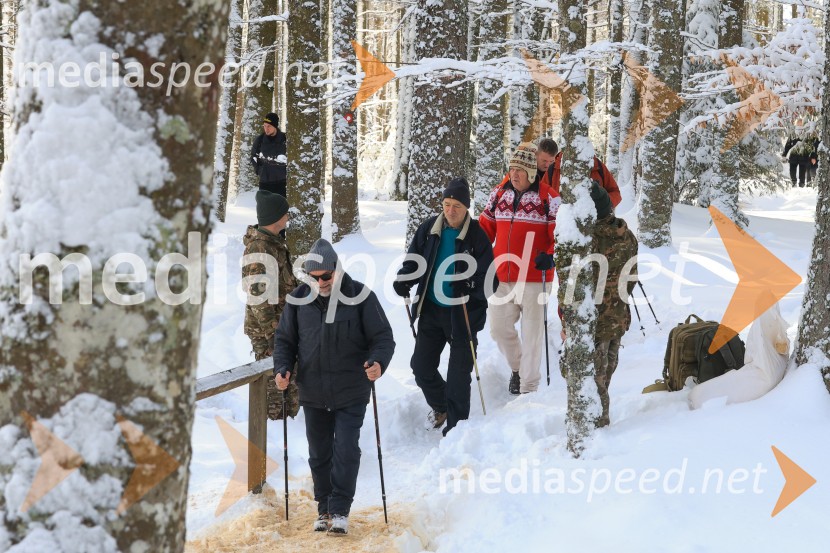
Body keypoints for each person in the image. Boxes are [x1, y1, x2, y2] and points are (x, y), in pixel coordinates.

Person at [273, 238, 395, 535]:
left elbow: (383, 338)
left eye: (326, 276)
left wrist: (378, 361)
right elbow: (285, 342)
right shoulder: (297, 301)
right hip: (313, 391)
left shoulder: (361, 297)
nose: (321, 283)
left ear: (337, 271)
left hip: (351, 389)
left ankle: (340, 509)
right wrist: (282, 369)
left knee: (345, 450)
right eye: (314, 278)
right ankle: (323, 508)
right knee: (319, 453)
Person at [394, 178, 494, 434]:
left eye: (457, 206)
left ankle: (457, 427)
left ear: (466, 208)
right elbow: (414, 261)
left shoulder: (477, 237)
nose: (450, 211)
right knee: (421, 366)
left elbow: (491, 280)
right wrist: (404, 279)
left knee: (459, 375)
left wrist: (469, 285)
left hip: (463, 313)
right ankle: (442, 405)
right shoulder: (429, 229)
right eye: (447, 204)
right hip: (431, 309)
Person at [479, 142, 561, 395]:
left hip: (536, 277)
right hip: (502, 276)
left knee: (532, 335)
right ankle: (517, 368)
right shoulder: (498, 194)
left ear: (532, 172)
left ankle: (528, 386)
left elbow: (559, 236)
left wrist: (550, 256)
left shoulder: (550, 199)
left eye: (521, 170)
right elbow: (484, 231)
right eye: (512, 168)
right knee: (498, 329)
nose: (514, 174)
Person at [561, 182, 638, 427]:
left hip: (594, 323)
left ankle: (597, 431)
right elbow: (632, 277)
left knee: (594, 380)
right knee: (604, 376)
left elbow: (571, 285)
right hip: (618, 318)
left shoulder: (588, 241)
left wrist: (566, 317)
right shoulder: (627, 235)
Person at [242, 191, 298, 420]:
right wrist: (274, 334)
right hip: (269, 331)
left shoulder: (274, 244)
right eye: (285, 213)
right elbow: (258, 299)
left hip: (282, 325)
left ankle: (290, 418)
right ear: (276, 218)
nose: (288, 217)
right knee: (275, 379)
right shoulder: (259, 249)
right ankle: (274, 424)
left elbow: (284, 283)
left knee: (289, 377)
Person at [542, 139, 622, 208]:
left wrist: (605, 203)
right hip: (561, 223)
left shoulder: (598, 166)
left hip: (596, 223)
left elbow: (615, 193)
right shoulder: (553, 169)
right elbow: (541, 197)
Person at [250, 112, 288, 196]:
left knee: (281, 209)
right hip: (265, 183)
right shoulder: (259, 140)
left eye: (269, 126)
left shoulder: (285, 139)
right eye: (265, 126)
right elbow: (253, 157)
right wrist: (260, 171)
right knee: (265, 209)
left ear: (275, 126)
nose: (266, 129)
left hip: (282, 184)